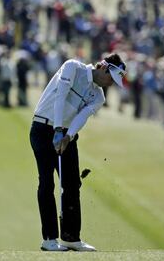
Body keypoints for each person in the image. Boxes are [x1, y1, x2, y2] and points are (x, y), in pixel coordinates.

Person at [29, 53, 126, 252]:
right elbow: (60, 96)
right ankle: (49, 239)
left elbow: (81, 117)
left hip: (66, 133)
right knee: (47, 182)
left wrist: (68, 135)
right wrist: (57, 129)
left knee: (72, 183)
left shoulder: (99, 97)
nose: (110, 84)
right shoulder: (73, 67)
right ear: (103, 68)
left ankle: (71, 238)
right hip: (42, 127)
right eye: (111, 78)